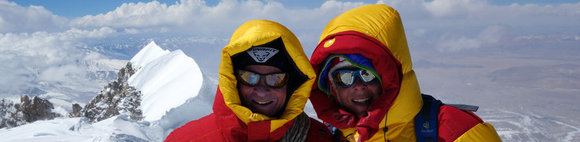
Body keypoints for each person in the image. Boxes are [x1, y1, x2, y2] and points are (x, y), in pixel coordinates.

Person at [309, 4, 502, 142]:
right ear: (331, 86)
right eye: (344, 77)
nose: (358, 86)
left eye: (368, 74)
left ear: (391, 77)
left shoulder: (457, 131)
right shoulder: (325, 135)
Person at [165, 20, 335, 142]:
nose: (261, 91)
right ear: (233, 81)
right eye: (249, 77)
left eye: (275, 78)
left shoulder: (320, 137)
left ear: (292, 85)